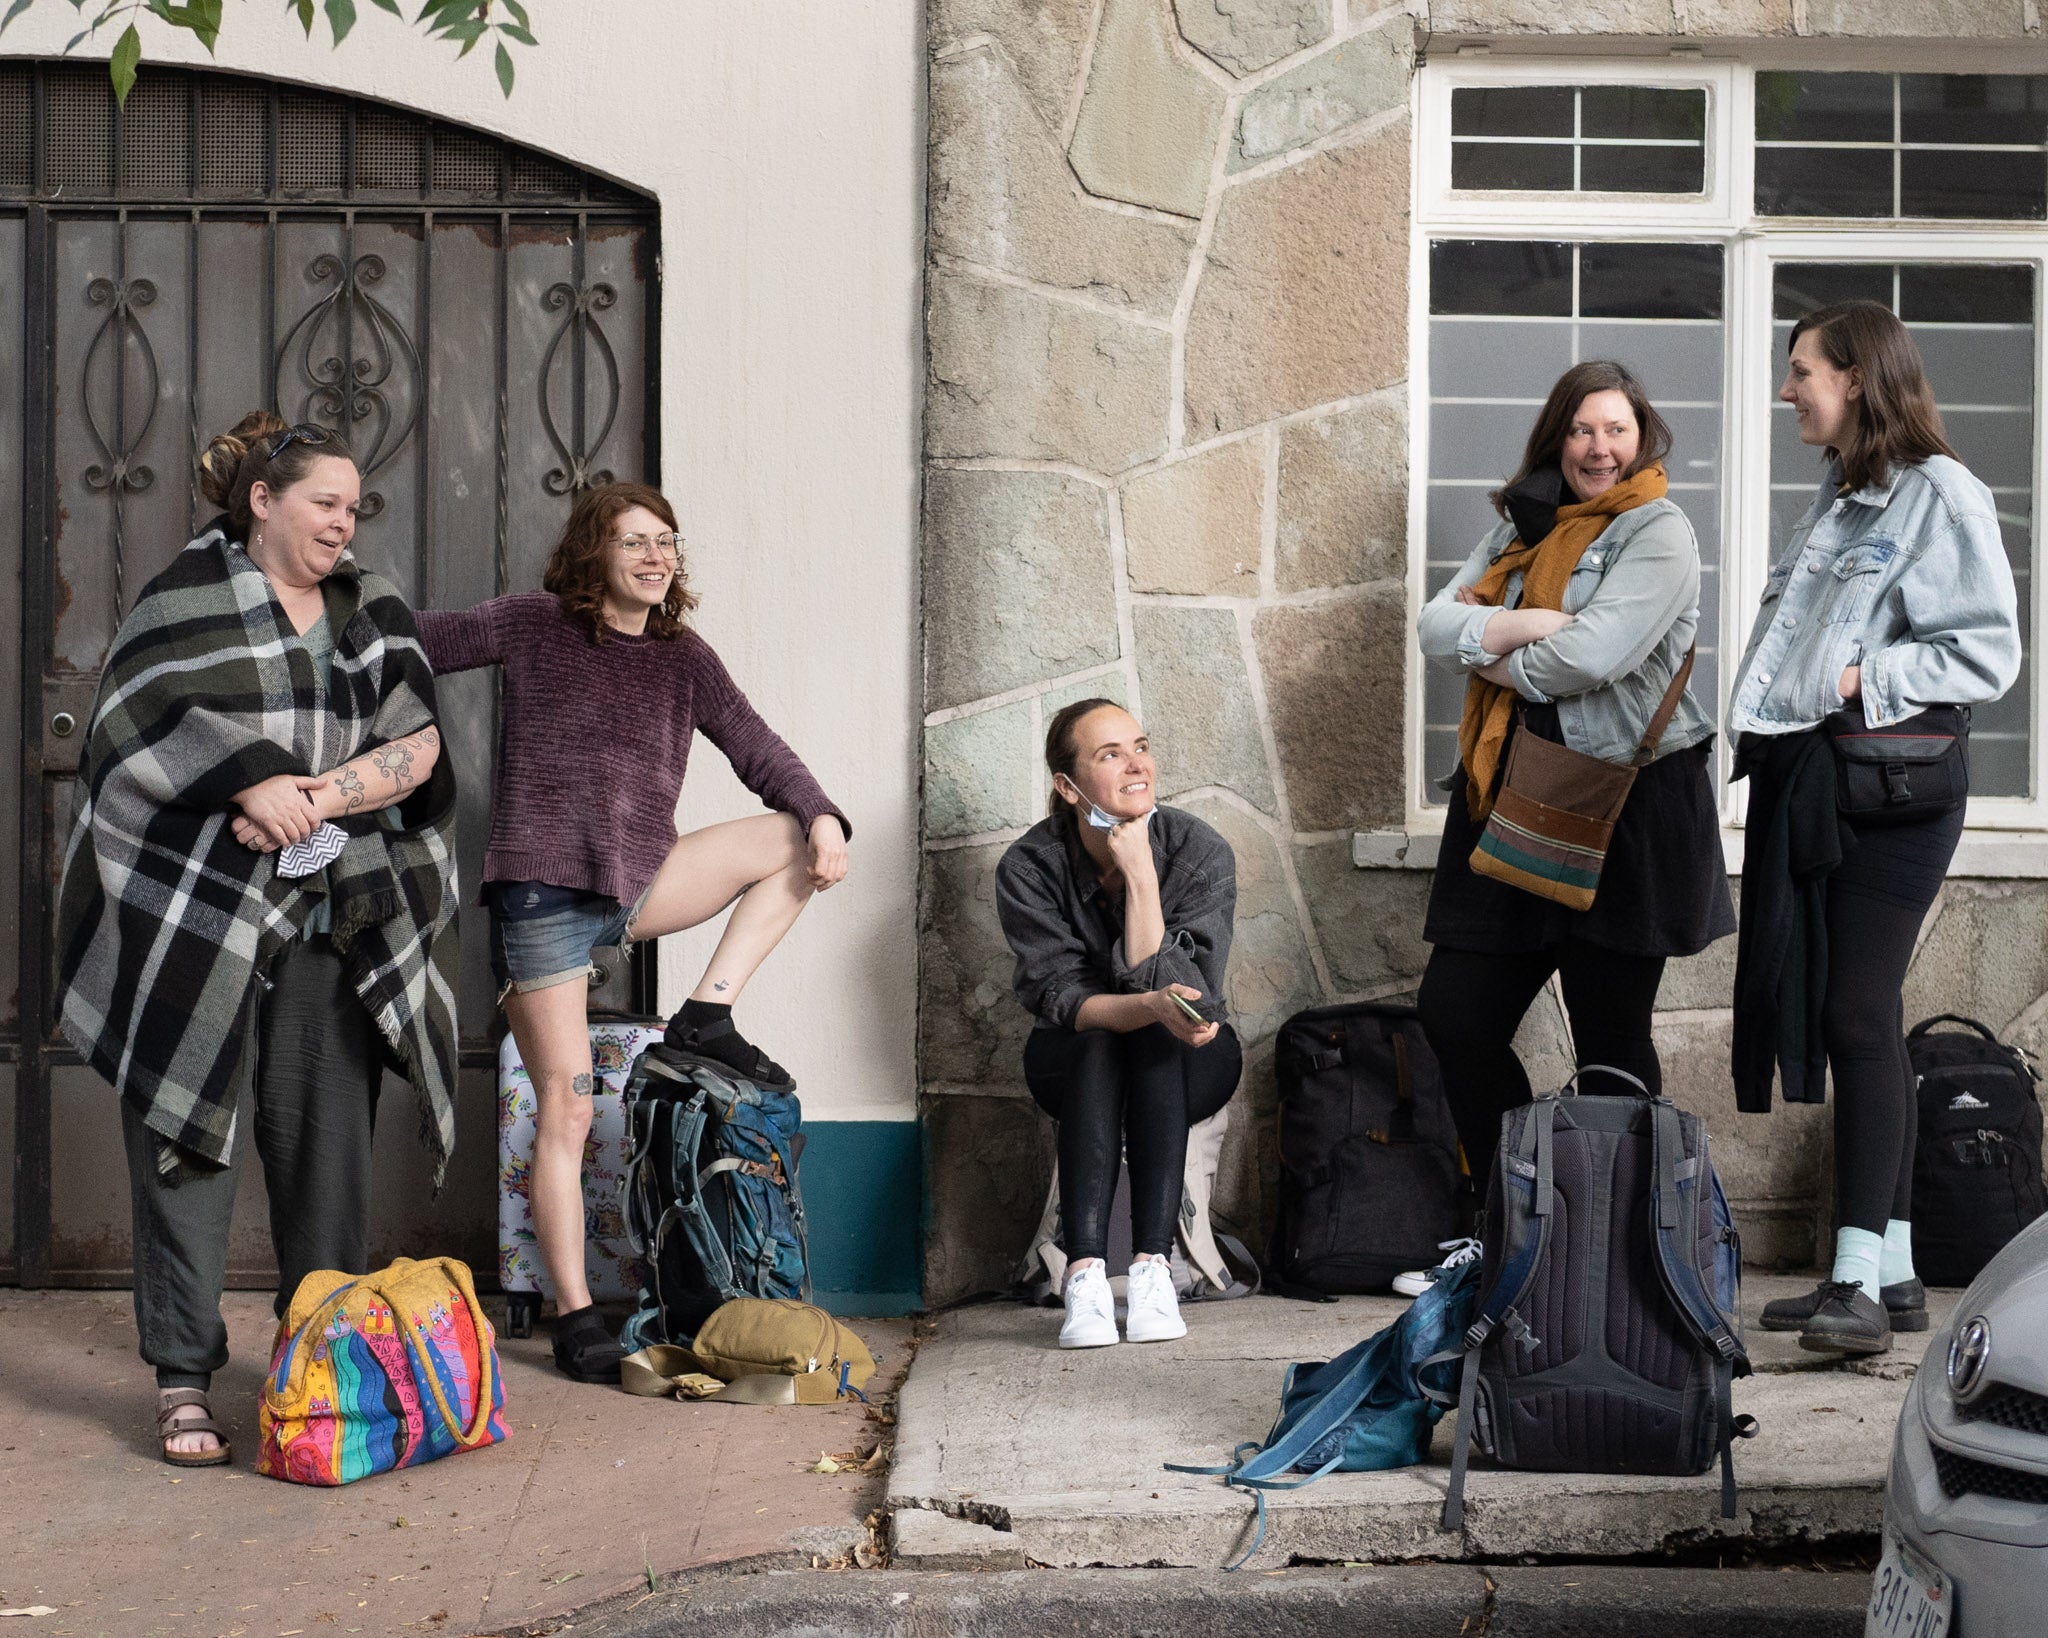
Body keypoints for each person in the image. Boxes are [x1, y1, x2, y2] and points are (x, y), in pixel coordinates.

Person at [56, 411, 461, 1467]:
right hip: (197, 922)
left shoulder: (370, 607)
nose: (344, 520)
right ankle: (183, 1377)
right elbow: (128, 742)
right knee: (186, 1140)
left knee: (327, 1153)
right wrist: (240, 778)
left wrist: (308, 797)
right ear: (262, 502)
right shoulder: (179, 607)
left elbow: (416, 750)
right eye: (326, 501)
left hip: (333, 919)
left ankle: (313, 1358)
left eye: (354, 506)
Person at [414, 481, 850, 1383]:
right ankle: (575, 1316)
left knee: (788, 839)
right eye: (634, 543)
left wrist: (822, 814)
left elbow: (758, 746)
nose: (655, 559)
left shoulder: (684, 658)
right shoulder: (535, 624)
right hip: (541, 903)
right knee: (567, 1107)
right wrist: (324, 599)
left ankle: (705, 1014)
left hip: (635, 883)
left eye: (667, 544)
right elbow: (428, 637)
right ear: (595, 555)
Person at [1729, 300, 2020, 1355]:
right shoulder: (1838, 496)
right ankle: (1888, 1271)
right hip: (1826, 785)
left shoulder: (1940, 495)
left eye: (1798, 368)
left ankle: (1850, 1282)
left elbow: (1985, 653)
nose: (1784, 388)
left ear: (1853, 376)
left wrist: (1861, 676)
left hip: (1896, 794)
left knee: (1854, 1014)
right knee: (1855, 1011)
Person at [1411, 361, 1735, 1286]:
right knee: (1456, 1016)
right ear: (1559, 438)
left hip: (1622, 803)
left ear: (1643, 439)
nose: (1601, 448)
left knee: (1610, 1042)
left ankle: (1623, 1253)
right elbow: (1435, 629)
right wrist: (1523, 625)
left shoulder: (1658, 531)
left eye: (1618, 431)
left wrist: (1495, 641)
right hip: (1509, 793)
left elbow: (1586, 662)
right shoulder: (1520, 528)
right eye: (1584, 430)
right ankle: (1512, 1218)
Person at [994, 700, 1240, 1349]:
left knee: (1153, 1035)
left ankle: (1153, 1270)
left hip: (1190, 1052)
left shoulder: (1196, 849)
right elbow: (1064, 1000)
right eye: (1110, 754)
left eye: (1140, 746)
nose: (1137, 764)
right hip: (1073, 1057)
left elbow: (1185, 999)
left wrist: (1140, 877)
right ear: (1068, 786)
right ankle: (1087, 1276)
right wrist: (1148, 1007)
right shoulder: (1030, 866)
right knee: (1104, 1039)